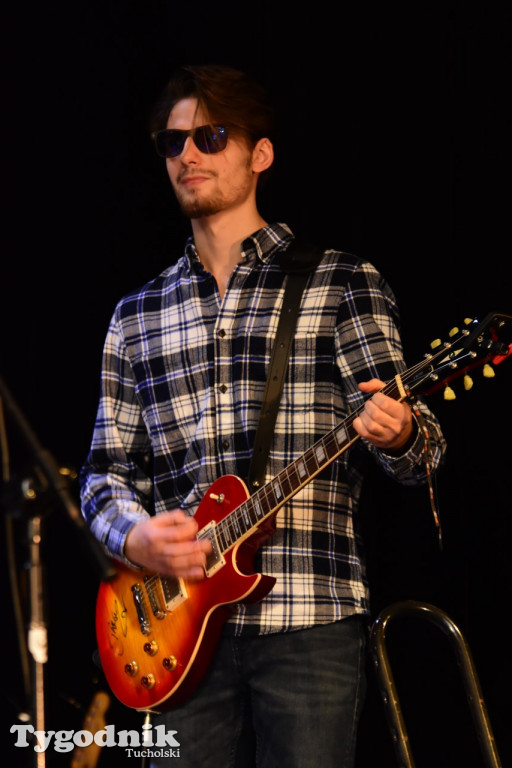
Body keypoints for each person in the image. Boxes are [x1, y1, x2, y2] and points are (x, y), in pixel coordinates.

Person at [80, 64, 447, 768]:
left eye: (211, 136)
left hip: (308, 617)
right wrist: (136, 538)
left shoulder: (341, 282)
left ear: (261, 153)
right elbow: (103, 475)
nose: (188, 154)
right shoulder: (135, 315)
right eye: (173, 142)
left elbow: (422, 451)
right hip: (172, 631)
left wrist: (401, 432)